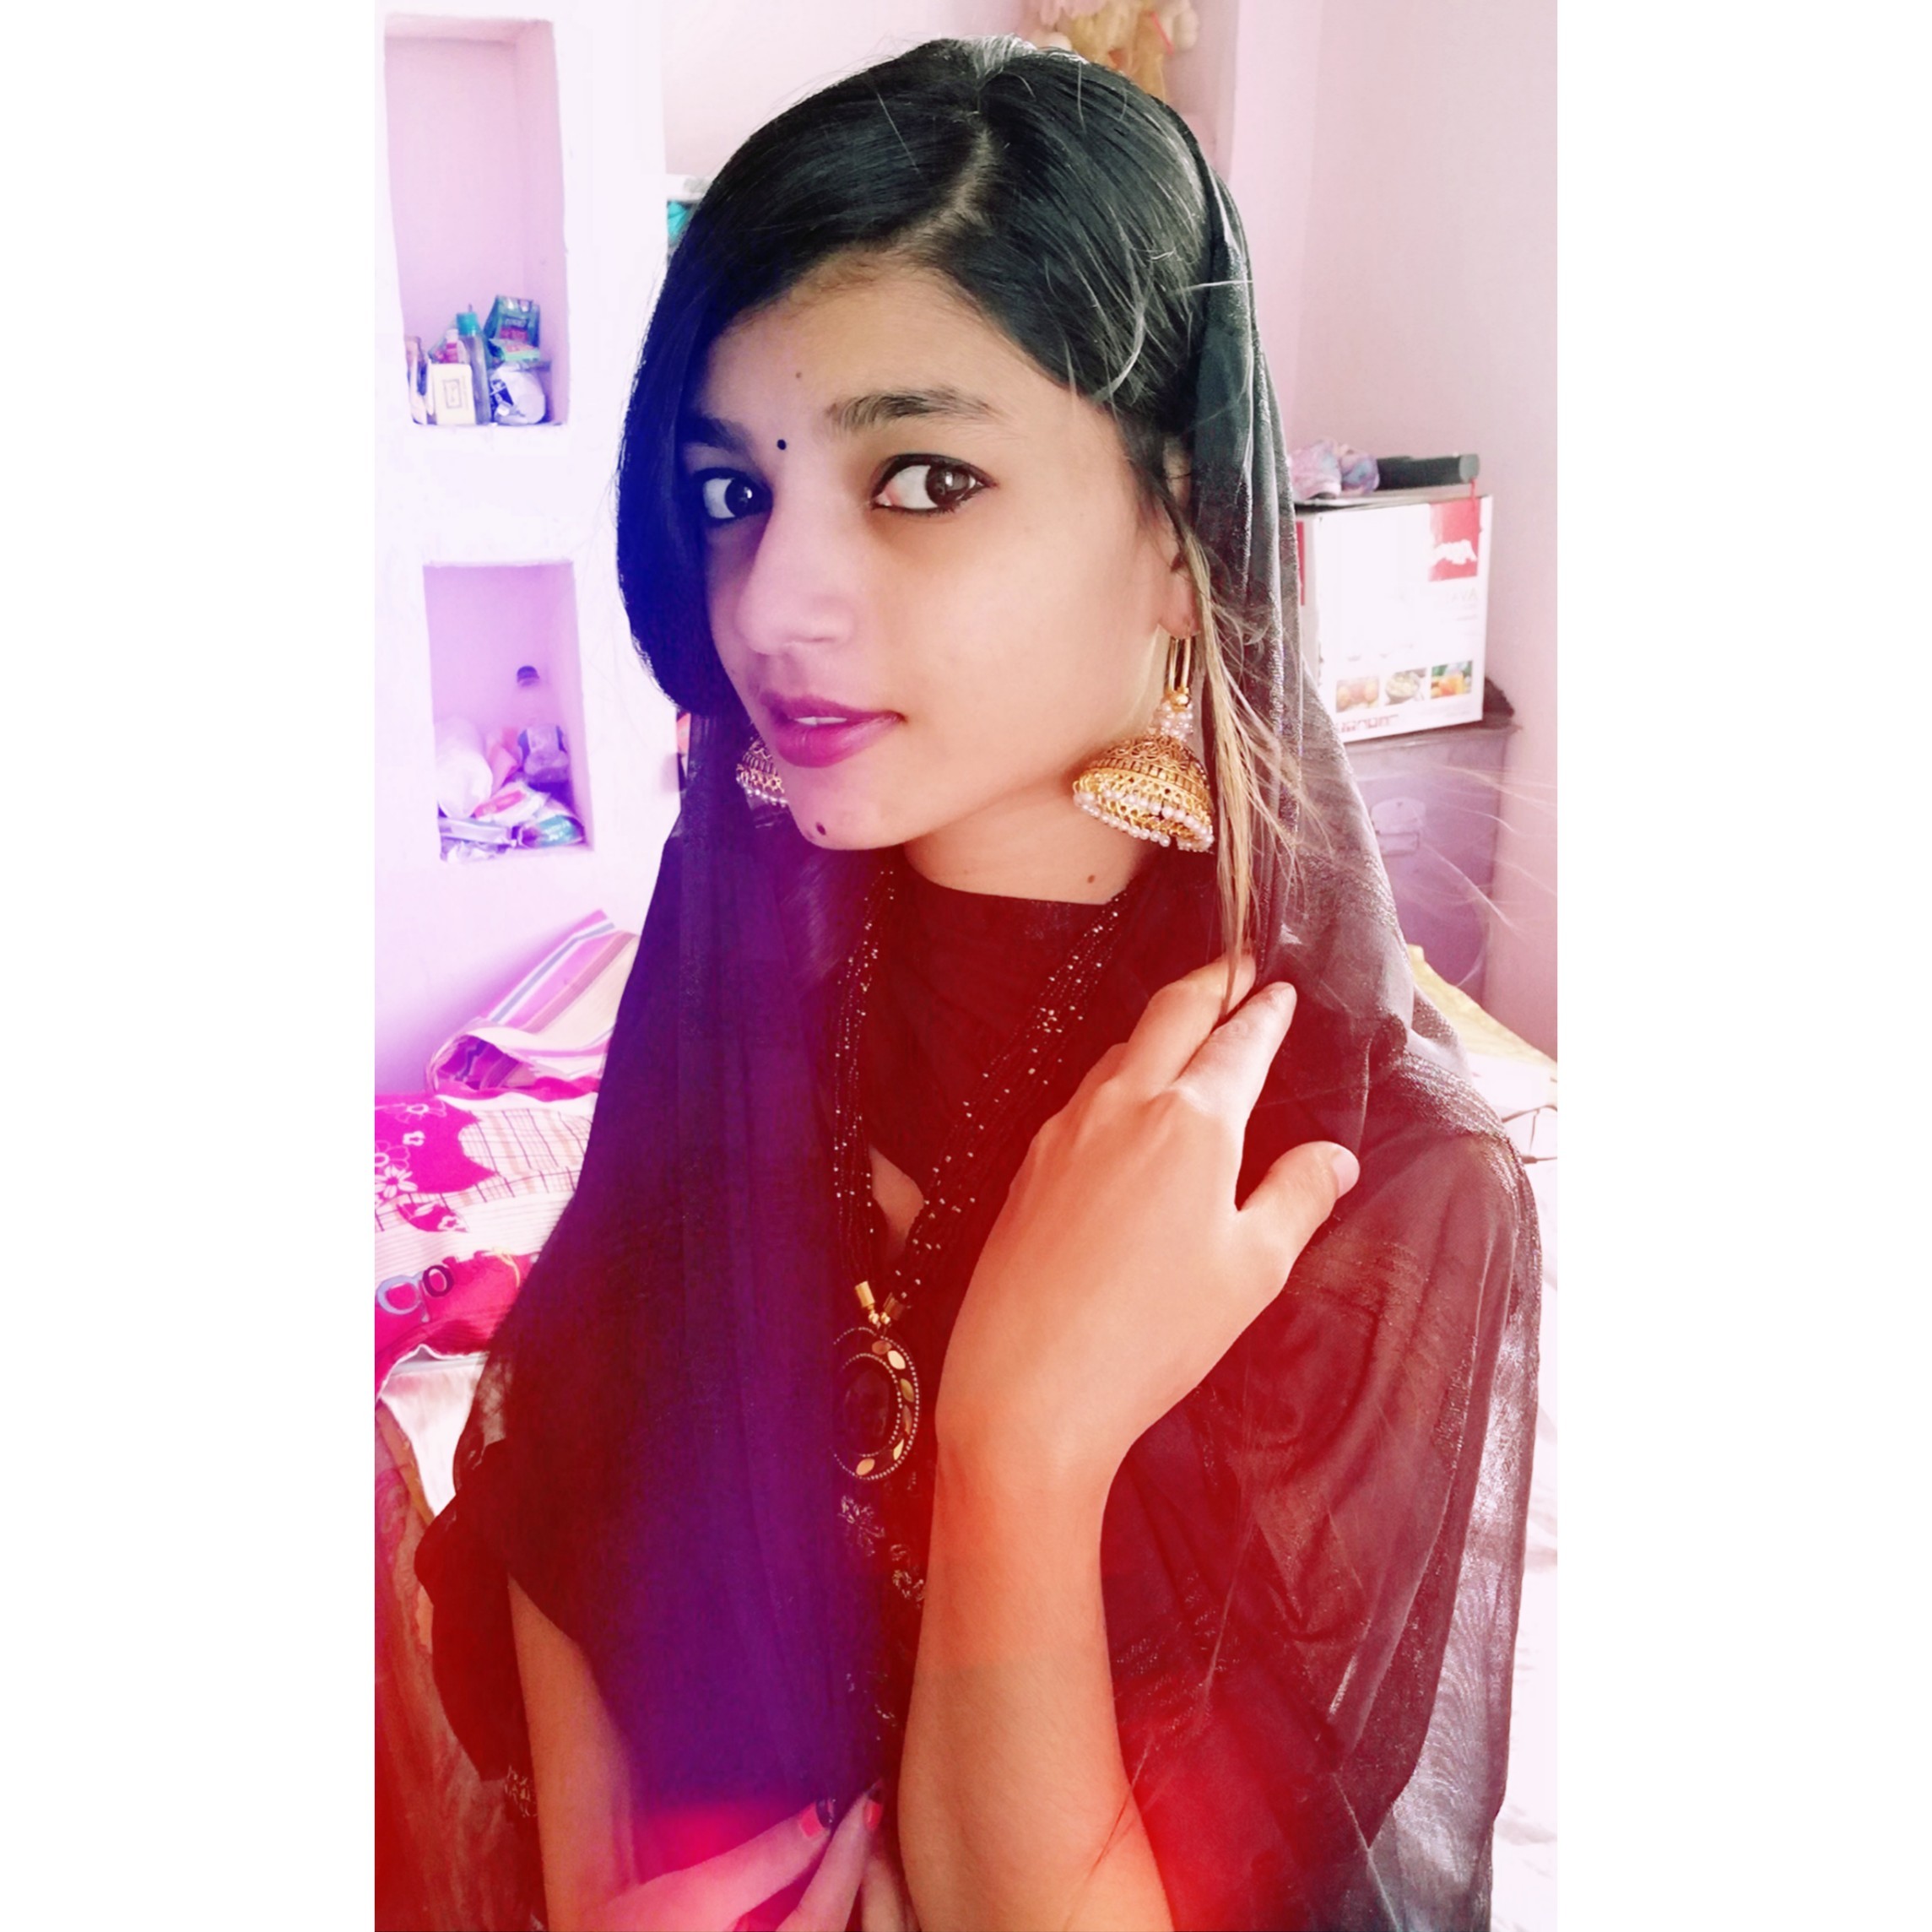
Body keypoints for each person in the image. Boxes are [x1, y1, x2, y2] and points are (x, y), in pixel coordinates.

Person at [416, 35, 1540, 1932]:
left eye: (923, 476)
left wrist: (1024, 1441)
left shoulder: (1355, 1181)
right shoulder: (744, 958)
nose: (774, 604)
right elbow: (584, 1434)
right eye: (729, 492)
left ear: (1181, 528)